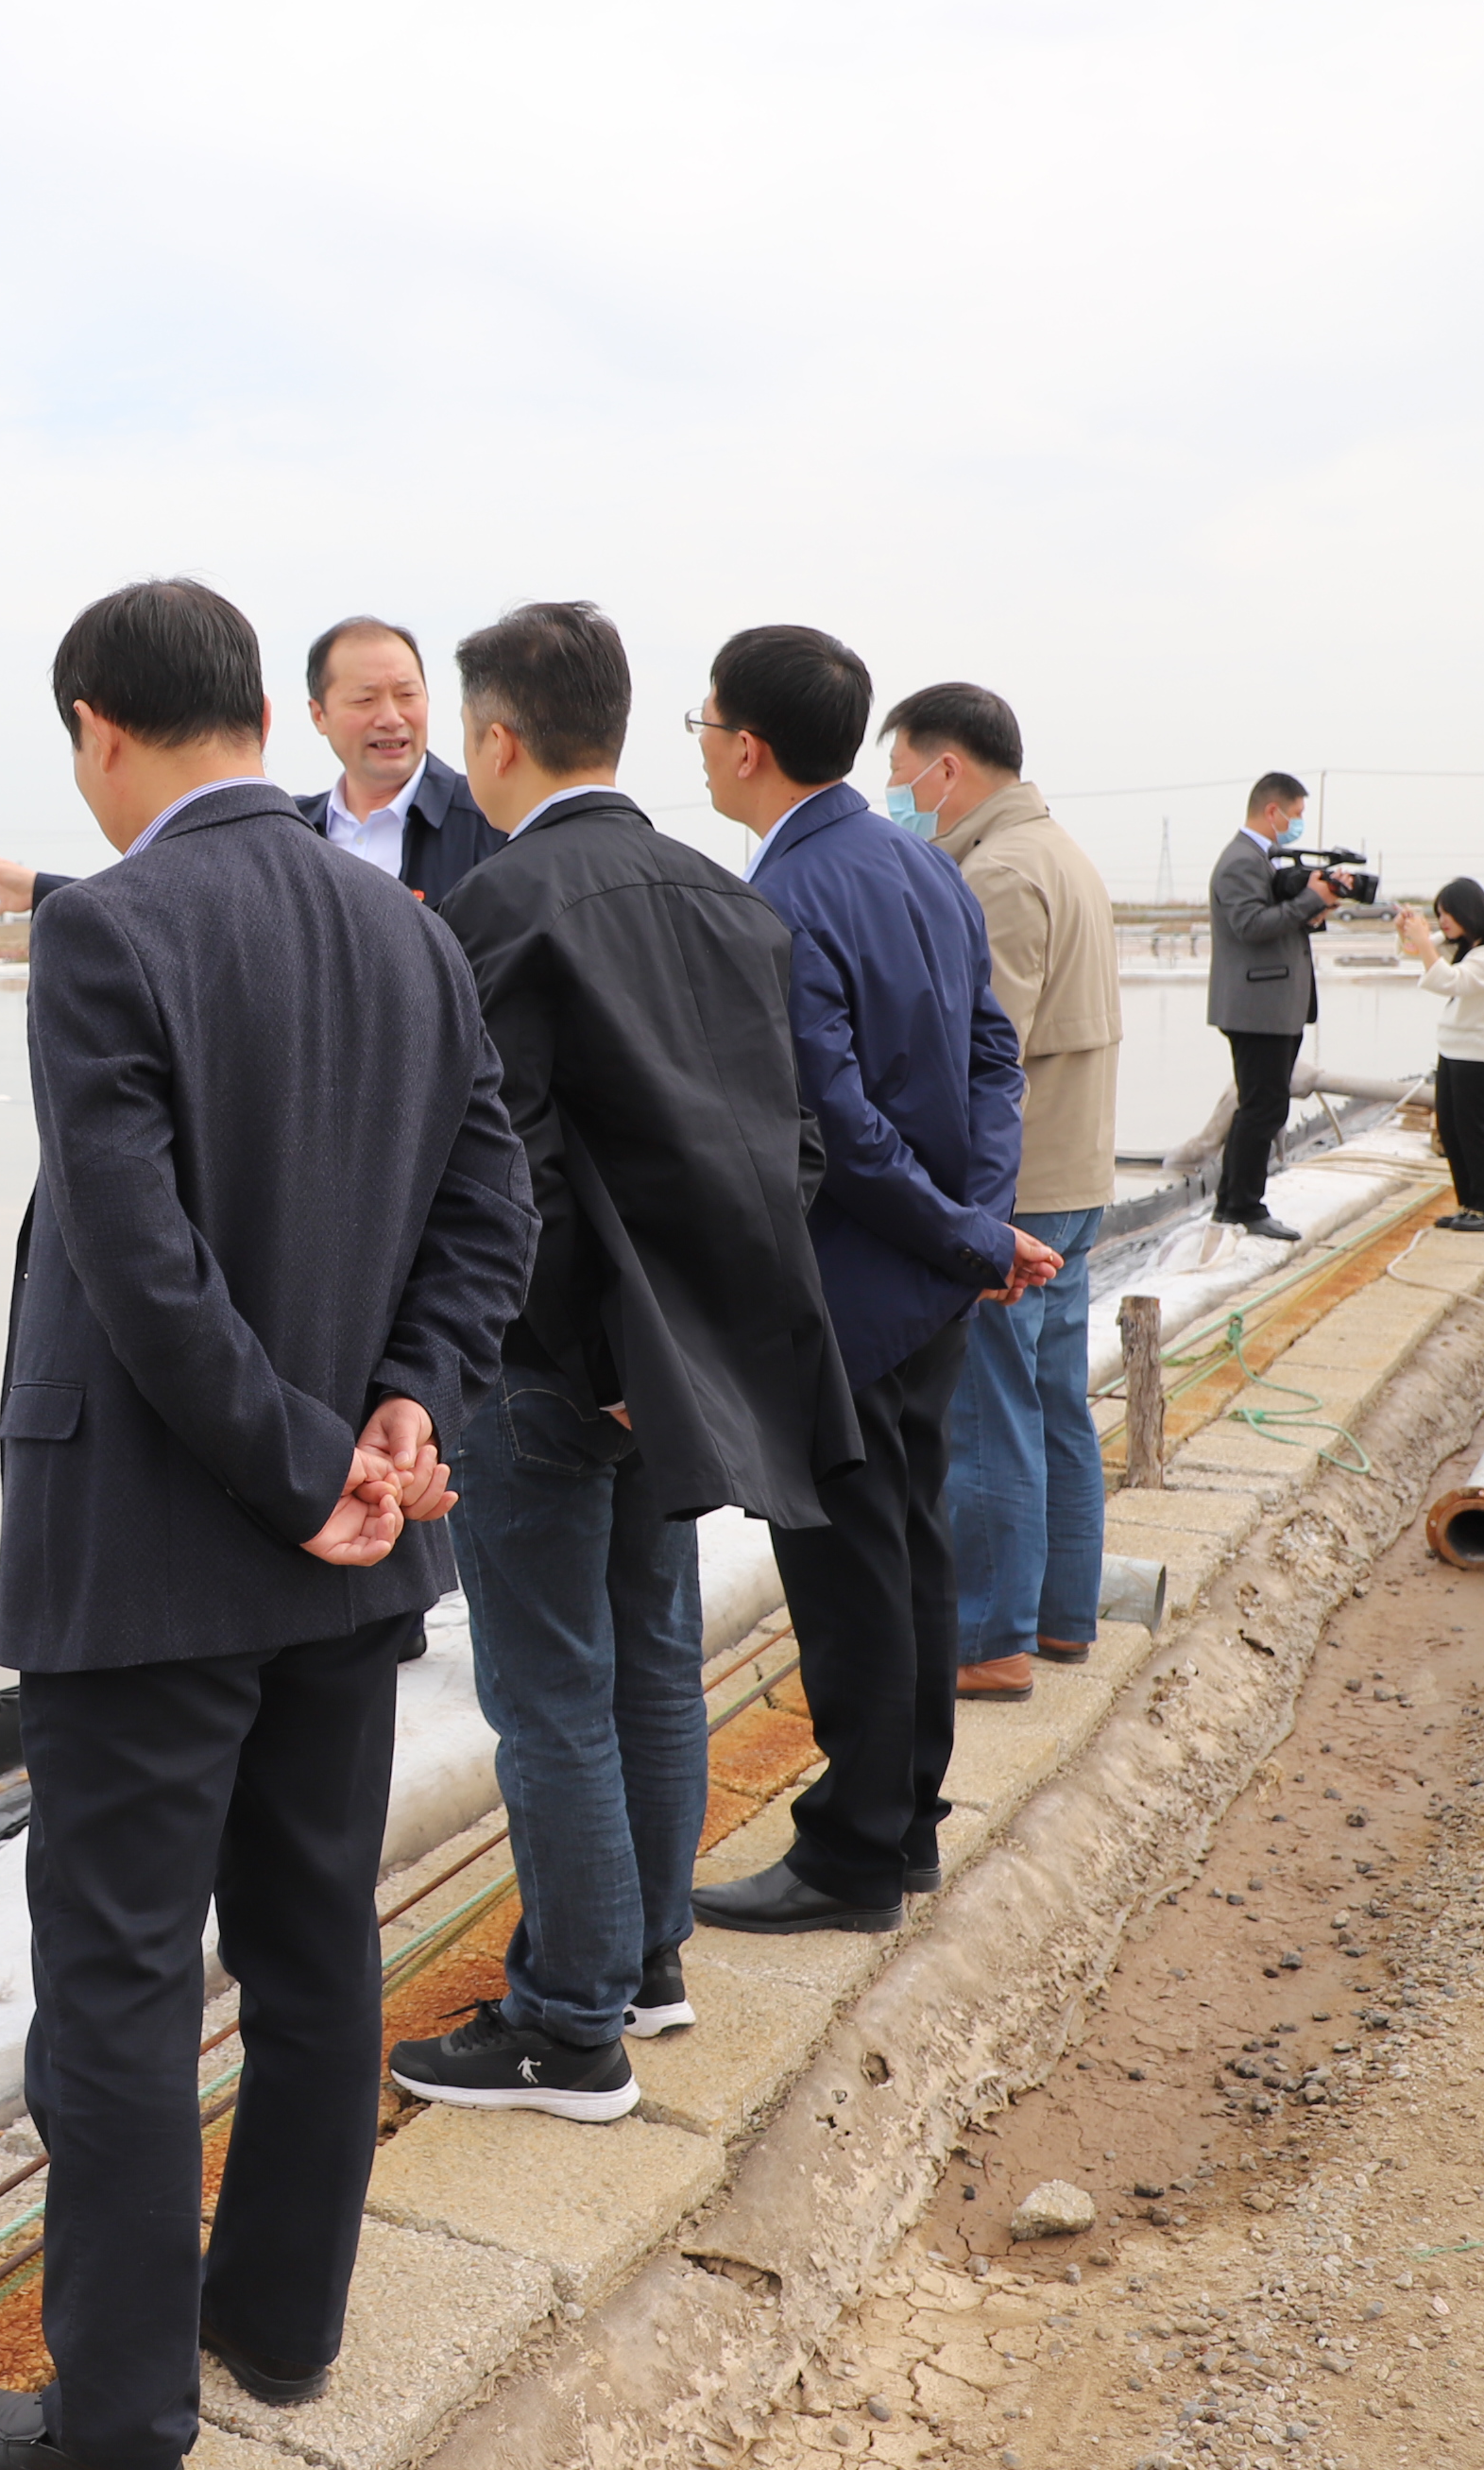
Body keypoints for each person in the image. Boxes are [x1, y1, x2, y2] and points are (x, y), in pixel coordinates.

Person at [0, 580, 533, 2470]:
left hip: (153, 1554)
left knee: (116, 1992)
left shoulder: (105, 926)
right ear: (266, 715)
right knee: (312, 1942)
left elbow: (140, 1261)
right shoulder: (403, 928)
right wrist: (405, 1407)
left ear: (97, 729)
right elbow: (490, 1207)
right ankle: (276, 2319)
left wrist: (301, 1463)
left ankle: (116, 2417)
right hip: (349, 1562)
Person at [375, 602, 856, 2118]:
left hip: (547, 1366)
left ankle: (568, 2022)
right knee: (652, 1664)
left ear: (495, 738)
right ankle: (646, 1964)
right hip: (679, 1369)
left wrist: (589, 1352)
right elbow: (794, 1152)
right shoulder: (731, 902)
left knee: (550, 1698)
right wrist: (683, 1343)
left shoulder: (497, 907)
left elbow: (503, 1174)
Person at [685, 626, 1051, 1940]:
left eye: (703, 726)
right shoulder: (923, 864)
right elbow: (994, 1058)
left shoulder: (782, 895)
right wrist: (977, 1224)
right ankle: (903, 1828)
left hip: (848, 1287)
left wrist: (965, 1235)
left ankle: (850, 1852)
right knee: (910, 1548)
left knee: (848, 1575)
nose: (702, 749)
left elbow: (828, 1123)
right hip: (930, 1282)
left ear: (746, 746)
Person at [881, 684, 1119, 1706]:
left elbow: (982, 1059)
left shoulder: (999, 873)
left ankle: (989, 1636)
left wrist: (957, 1218)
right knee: (1054, 1401)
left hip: (1016, 1191)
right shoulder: (1059, 851)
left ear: (947, 769)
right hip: (1076, 1172)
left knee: (986, 1414)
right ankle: (1060, 1615)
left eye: (899, 775)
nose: (894, 797)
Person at [0, 615, 513, 917]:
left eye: (407, 695)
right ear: (317, 715)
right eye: (365, 699)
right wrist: (43, 890)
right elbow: (183, 902)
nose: (390, 717)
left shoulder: (493, 824)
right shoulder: (289, 826)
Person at [1206, 772, 1346, 1243]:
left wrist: (1316, 908)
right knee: (1263, 1108)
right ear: (1273, 811)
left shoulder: (1260, 860)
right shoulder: (1240, 861)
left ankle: (1233, 1202)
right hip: (1257, 1008)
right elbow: (1250, 925)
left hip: (1272, 1005)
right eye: (1296, 814)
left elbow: (1276, 923)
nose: (1298, 823)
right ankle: (1244, 1206)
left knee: (1262, 1106)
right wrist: (1309, 899)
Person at [1393, 879, 1484, 1235]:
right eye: (1438, 914)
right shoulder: (1472, 943)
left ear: (1469, 911)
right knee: (1451, 1130)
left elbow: (1450, 981)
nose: (1443, 922)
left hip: (1481, 1053)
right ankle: (1468, 1205)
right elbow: (1416, 951)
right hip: (1456, 1049)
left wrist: (1423, 941)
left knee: (1473, 1130)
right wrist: (1408, 932)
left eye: (1448, 913)